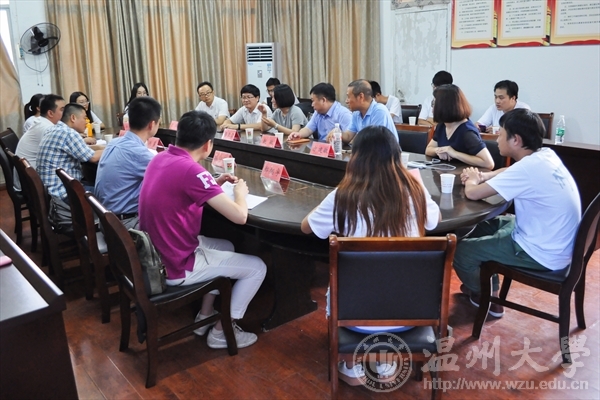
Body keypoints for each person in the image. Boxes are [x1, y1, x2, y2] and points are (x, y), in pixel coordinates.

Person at [301, 125, 440, 386]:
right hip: (412, 311)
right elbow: (435, 221)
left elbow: (306, 227)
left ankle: (352, 363)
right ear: (397, 156)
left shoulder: (343, 195)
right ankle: (385, 358)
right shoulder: (415, 190)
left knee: (342, 278)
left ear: (356, 158)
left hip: (354, 315)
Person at [139, 110, 266, 349]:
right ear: (208, 145)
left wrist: (212, 184)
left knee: (227, 245)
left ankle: (204, 315)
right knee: (257, 268)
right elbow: (240, 216)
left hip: (156, 253)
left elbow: (181, 188)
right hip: (175, 264)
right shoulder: (192, 170)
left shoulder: (160, 158)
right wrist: (240, 194)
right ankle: (221, 332)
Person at [453, 108, 581, 318]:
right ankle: (481, 281)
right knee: (479, 228)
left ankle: (489, 298)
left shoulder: (528, 168)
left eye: (501, 134)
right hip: (554, 241)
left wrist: (473, 179)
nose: (497, 138)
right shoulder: (544, 156)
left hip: (540, 252)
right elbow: (512, 172)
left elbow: (473, 194)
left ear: (516, 140)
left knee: (462, 252)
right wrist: (485, 176)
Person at [95, 97, 161, 230]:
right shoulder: (140, 154)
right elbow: (171, 180)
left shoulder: (114, 143)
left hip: (105, 220)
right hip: (123, 227)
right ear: (152, 124)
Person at [37, 103, 103, 231]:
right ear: (73, 118)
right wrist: (113, 147)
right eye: (84, 118)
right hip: (63, 196)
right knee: (108, 192)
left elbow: (82, 150)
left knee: (97, 183)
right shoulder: (68, 133)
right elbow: (93, 158)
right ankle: (109, 229)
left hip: (52, 192)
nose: (87, 122)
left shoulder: (55, 129)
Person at [425, 84, 494, 169]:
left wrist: (454, 153)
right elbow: (428, 150)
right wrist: (439, 150)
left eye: (434, 104)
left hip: (464, 174)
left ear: (444, 107)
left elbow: (489, 163)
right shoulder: (442, 125)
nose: (432, 109)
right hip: (446, 172)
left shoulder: (467, 132)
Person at [14, 95, 65, 190]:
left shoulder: (41, 121)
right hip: (32, 182)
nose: (65, 112)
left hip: (28, 177)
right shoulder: (47, 128)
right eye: (62, 109)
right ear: (50, 113)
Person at [327, 79, 396, 144]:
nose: (346, 101)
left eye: (348, 97)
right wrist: (338, 133)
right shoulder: (356, 113)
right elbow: (348, 136)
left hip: (385, 152)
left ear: (361, 97)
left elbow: (375, 142)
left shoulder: (379, 111)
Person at [288, 82, 352, 142]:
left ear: (323, 100)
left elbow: (350, 139)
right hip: (321, 147)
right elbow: (308, 129)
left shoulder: (344, 114)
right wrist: (298, 134)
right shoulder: (318, 112)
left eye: (313, 101)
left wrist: (338, 134)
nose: (312, 104)